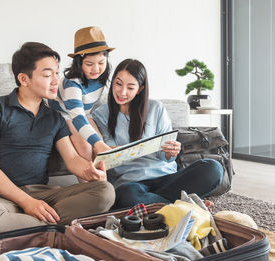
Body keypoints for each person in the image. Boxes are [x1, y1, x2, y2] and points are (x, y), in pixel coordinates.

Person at [0, 42, 115, 238]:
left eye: (57, 74)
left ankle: (29, 228)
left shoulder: (55, 117)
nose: (56, 81)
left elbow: (73, 160)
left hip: (43, 194)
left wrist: (90, 170)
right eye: (48, 74)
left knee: (105, 191)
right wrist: (27, 203)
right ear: (24, 79)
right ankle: (52, 227)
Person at [92, 59, 223, 209]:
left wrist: (170, 152)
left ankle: (159, 204)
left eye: (130, 87)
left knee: (213, 169)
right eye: (118, 84)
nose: (122, 92)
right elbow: (108, 158)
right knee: (129, 198)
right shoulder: (100, 115)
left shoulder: (156, 108)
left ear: (140, 89)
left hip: (166, 177)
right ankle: (183, 205)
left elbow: (165, 157)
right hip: (131, 183)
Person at [46, 26, 114, 160]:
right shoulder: (72, 83)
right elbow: (77, 118)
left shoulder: (102, 76)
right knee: (84, 145)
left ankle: (102, 179)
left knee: (98, 141)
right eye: (89, 64)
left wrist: (99, 143)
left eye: (101, 62)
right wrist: (98, 143)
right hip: (63, 113)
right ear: (79, 63)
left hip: (83, 111)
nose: (96, 69)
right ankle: (88, 180)